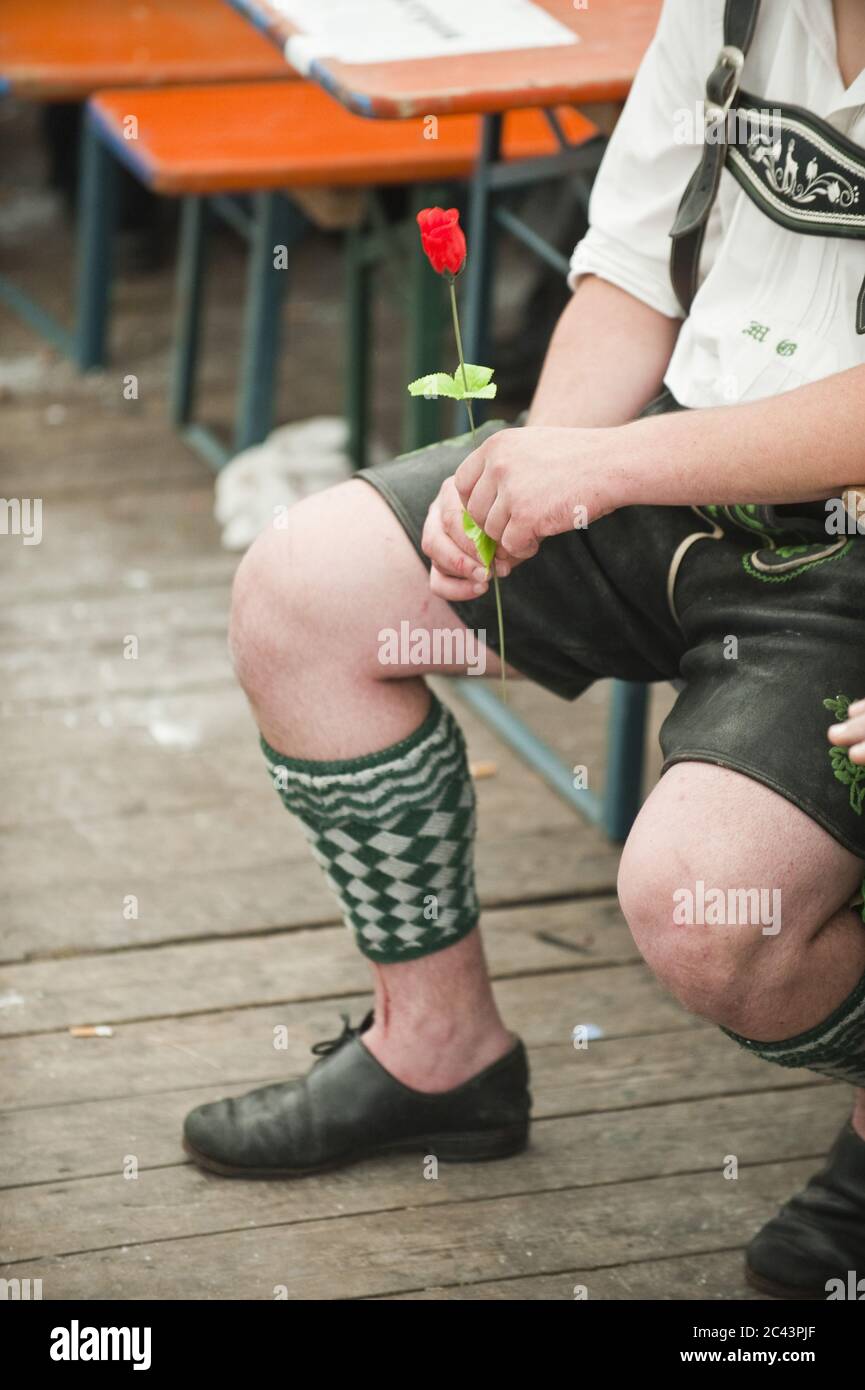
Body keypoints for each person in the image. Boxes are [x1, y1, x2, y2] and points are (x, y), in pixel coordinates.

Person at [183, 0, 865, 1299]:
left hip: (843, 550)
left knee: (708, 916)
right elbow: (629, 268)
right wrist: (536, 467)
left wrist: (599, 467)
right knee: (305, 592)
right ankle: (438, 1049)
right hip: (669, 464)